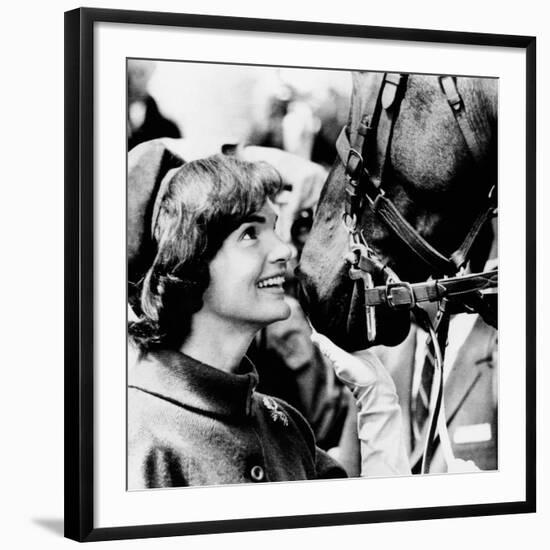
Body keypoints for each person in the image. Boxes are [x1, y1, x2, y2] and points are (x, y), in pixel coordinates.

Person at [127, 142, 409, 488]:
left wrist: (378, 405)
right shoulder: (136, 439)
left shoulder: (287, 430)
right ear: (186, 262)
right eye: (250, 233)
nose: (284, 250)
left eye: (274, 228)